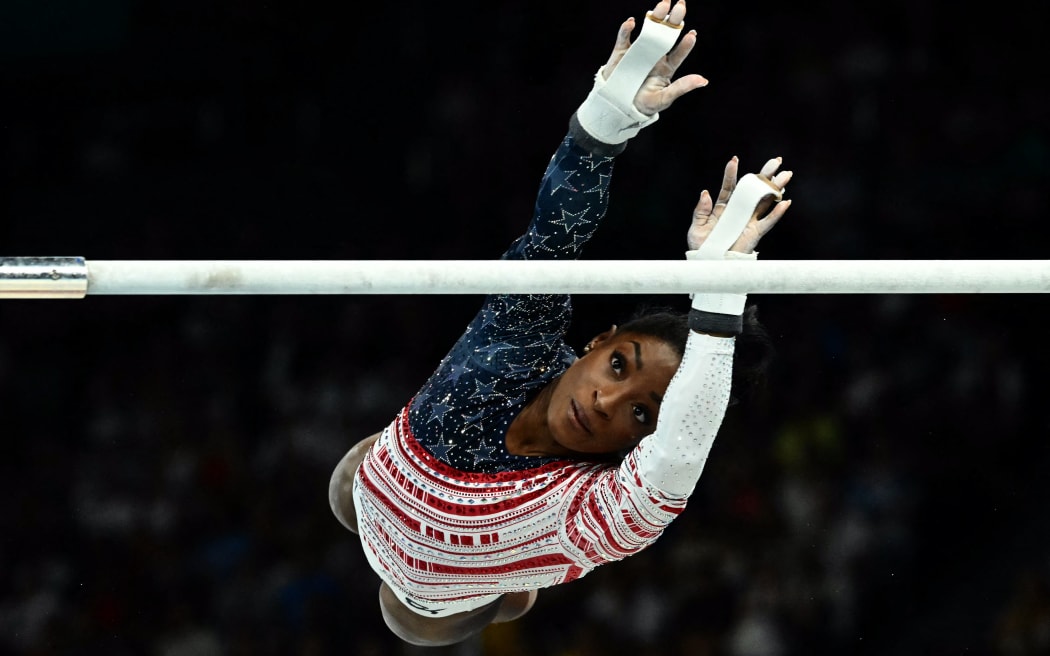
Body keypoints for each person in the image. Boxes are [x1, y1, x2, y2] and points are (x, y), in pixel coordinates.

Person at [328, 0, 793, 646]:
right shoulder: (520, 339)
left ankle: (504, 592)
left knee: (445, 615)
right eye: (620, 367)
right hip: (373, 487)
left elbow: (677, 458)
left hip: (436, 601)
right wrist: (603, 124)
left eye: (640, 415)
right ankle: (460, 556)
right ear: (599, 342)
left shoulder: (590, 511)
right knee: (347, 488)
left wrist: (719, 302)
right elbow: (555, 233)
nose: (606, 400)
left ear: (640, 444)